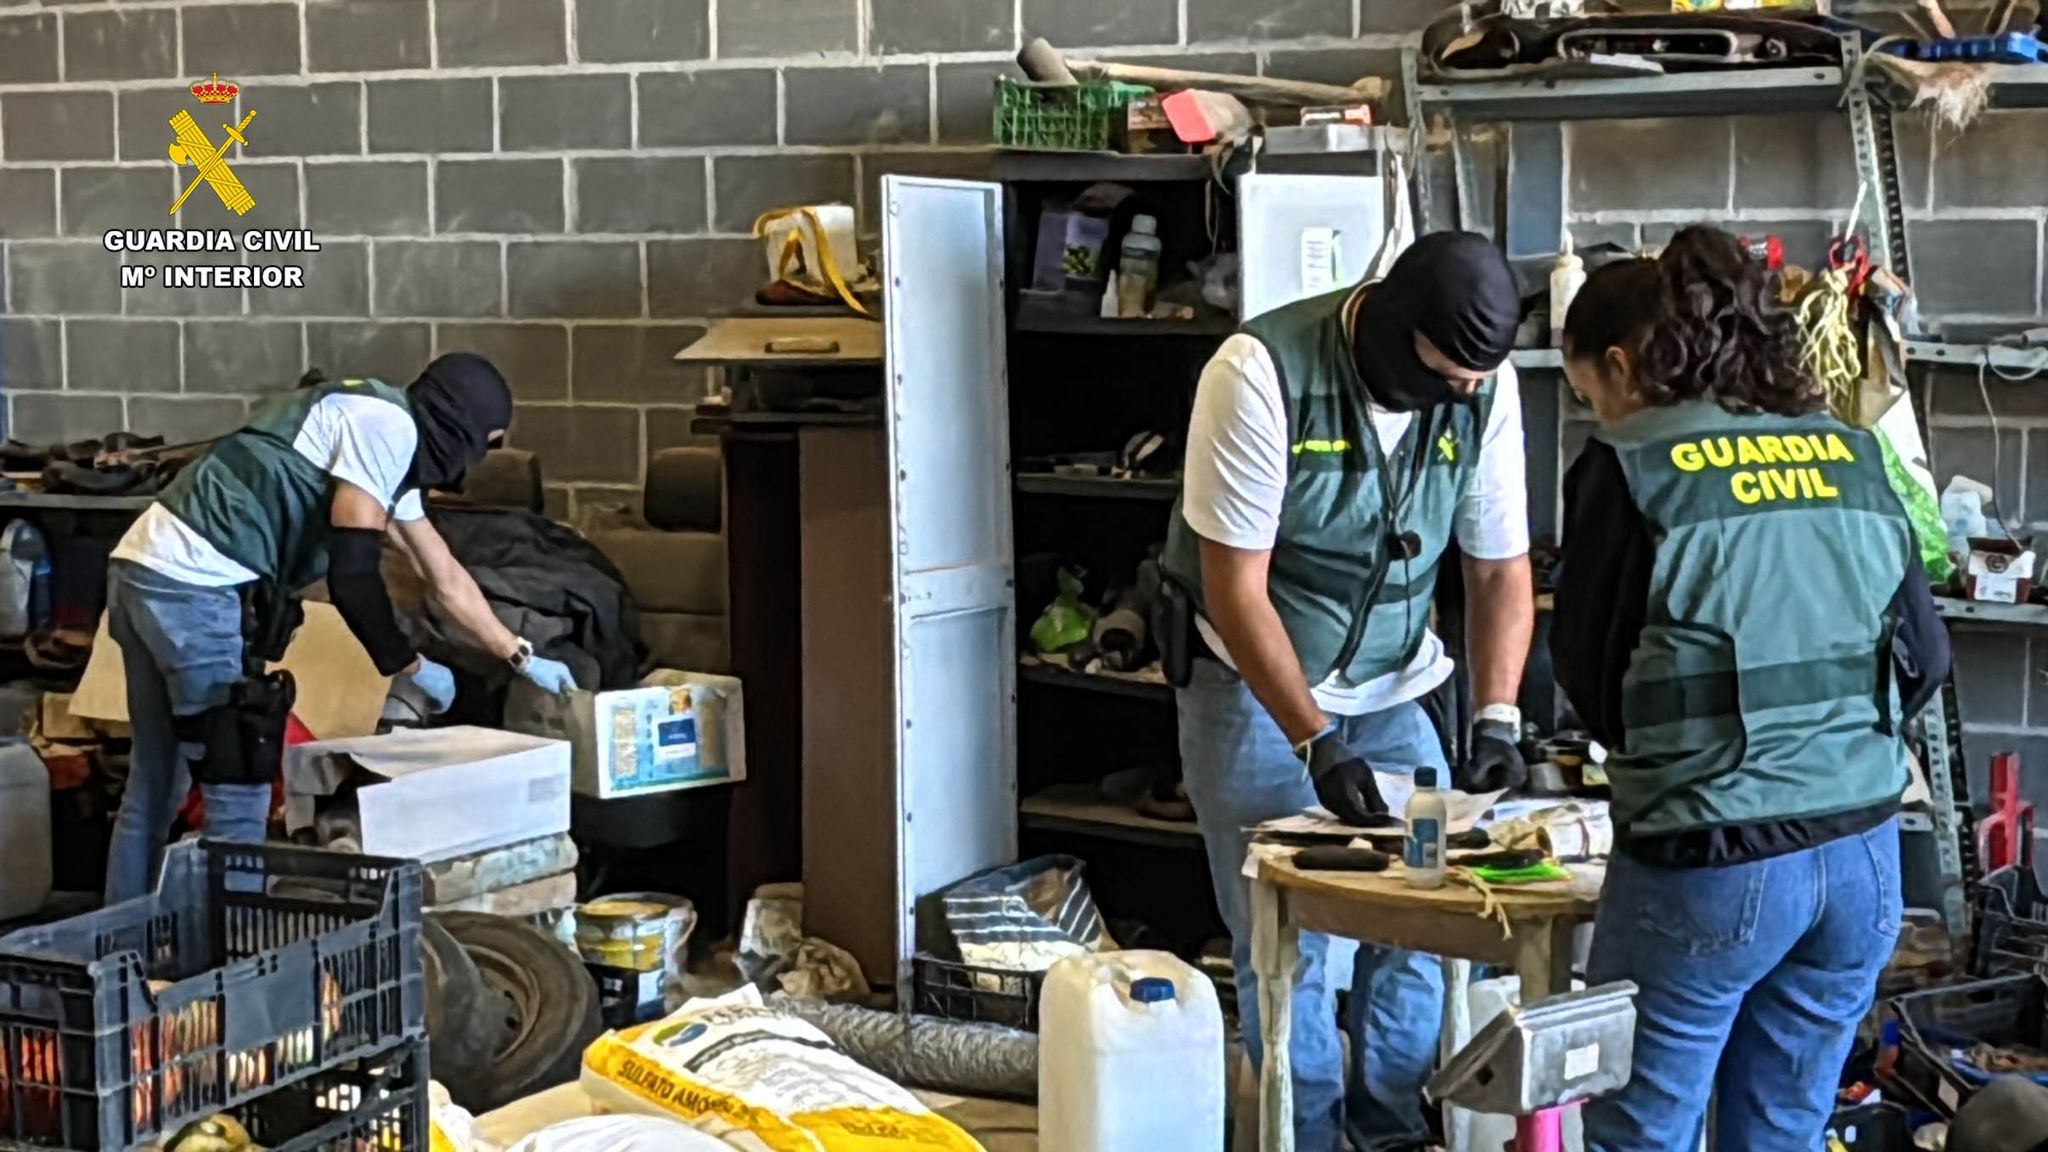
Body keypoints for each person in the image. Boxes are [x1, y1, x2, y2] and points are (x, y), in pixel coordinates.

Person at [1550, 225, 1951, 1151]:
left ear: (1620, 366)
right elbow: (1924, 658)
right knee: (1782, 1132)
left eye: (1587, 396)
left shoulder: (1632, 461)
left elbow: (1589, 674)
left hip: (1708, 859)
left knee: (1640, 1132)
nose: (1596, 417)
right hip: (1863, 855)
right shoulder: (1848, 452)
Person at [1161, 231, 1537, 1151]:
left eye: (1475, 378)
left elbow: (1499, 571)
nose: (1465, 394)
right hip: (1254, 685)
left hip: (1395, 686)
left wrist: (1497, 712)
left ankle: (1390, 1131)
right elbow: (1234, 588)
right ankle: (1310, 1135)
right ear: (1398, 332)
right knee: (1286, 937)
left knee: (1424, 912)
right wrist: (1313, 742)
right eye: (1449, 374)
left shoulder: (1482, 388)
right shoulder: (1258, 373)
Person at [104, 353, 581, 903]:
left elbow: (444, 575)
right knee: (238, 786)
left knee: (157, 782)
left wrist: (518, 654)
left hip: (140, 569)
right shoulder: (385, 428)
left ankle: (119, 945)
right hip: (194, 588)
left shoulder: (382, 439)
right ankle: (222, 961)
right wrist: (411, 665)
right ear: (461, 425)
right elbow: (353, 578)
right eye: (487, 441)